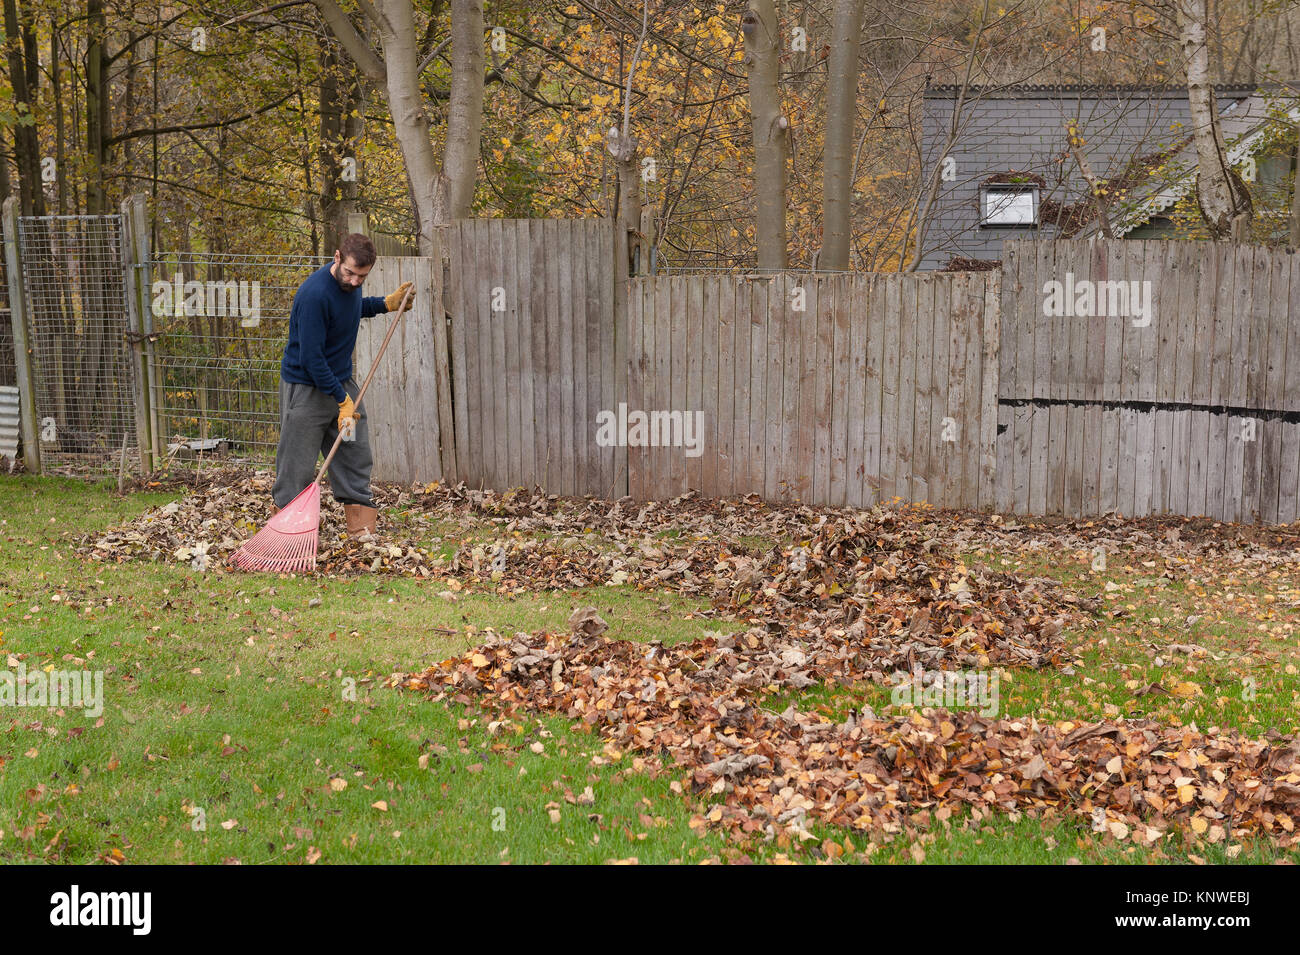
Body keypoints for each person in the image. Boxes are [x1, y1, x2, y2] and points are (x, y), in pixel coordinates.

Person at [271, 233, 412, 538]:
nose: (356, 281)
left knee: (353, 450)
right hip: (306, 390)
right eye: (350, 273)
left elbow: (349, 310)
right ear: (336, 258)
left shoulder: (349, 287)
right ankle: (286, 533)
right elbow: (311, 358)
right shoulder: (314, 294)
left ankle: (360, 530)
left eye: (362, 276)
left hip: (340, 386)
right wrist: (341, 399)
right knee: (296, 464)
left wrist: (385, 304)